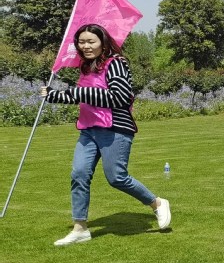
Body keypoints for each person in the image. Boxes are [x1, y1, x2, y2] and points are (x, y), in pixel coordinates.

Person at [41, 24, 171, 246]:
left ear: (103, 43)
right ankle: (80, 228)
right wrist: (53, 95)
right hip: (88, 129)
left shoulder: (116, 63)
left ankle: (157, 203)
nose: (86, 46)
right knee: (79, 174)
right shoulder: (86, 67)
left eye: (91, 41)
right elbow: (82, 97)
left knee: (117, 178)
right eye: (82, 42)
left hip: (115, 129)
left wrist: (77, 92)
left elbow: (119, 97)